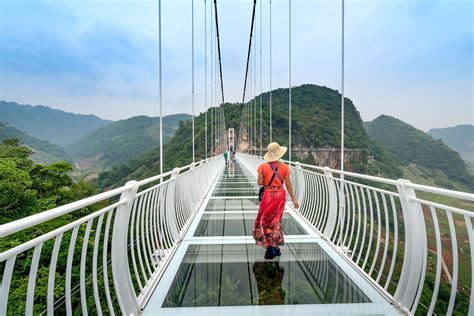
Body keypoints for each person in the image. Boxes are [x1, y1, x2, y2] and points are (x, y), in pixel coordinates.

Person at [253, 142, 299, 260]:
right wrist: (294, 199)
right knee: (276, 220)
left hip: (268, 195)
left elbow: (259, 183)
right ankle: (275, 246)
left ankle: (270, 245)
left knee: (265, 220)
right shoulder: (284, 167)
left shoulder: (262, 167)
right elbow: (288, 184)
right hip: (279, 195)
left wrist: (268, 183)